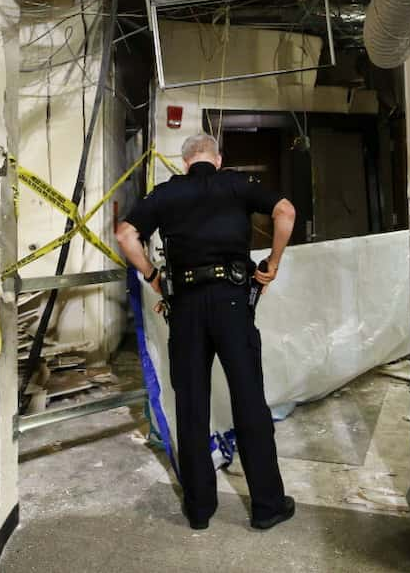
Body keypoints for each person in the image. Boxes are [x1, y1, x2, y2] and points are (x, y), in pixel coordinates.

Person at [115, 132, 297, 532]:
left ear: (184, 163)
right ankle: (267, 506)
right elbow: (285, 211)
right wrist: (273, 262)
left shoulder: (166, 193)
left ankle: (199, 509)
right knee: (249, 399)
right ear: (217, 160)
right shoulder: (237, 183)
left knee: (192, 405)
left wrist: (152, 276)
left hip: (186, 308)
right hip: (233, 303)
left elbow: (125, 234)